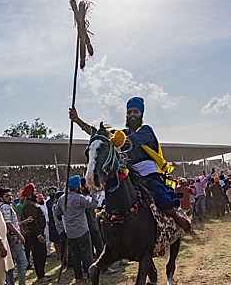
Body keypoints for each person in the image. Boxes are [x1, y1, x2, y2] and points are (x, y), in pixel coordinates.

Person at [70, 96, 191, 234]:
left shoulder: (146, 130)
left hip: (148, 175)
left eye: (135, 112)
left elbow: (126, 141)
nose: (132, 114)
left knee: (160, 198)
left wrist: (113, 139)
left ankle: (176, 216)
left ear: (141, 114)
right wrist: (77, 120)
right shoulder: (122, 133)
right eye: (129, 112)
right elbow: (99, 134)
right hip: (131, 175)